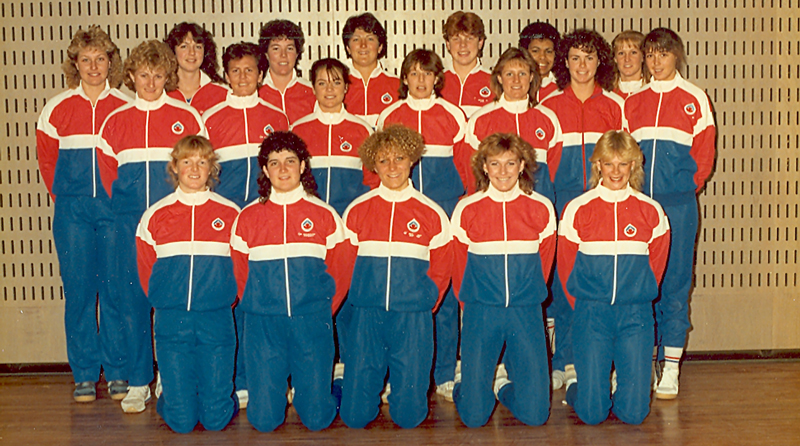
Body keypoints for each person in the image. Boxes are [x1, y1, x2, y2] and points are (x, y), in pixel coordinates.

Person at [97, 39, 206, 413]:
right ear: (130, 76)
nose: (150, 81)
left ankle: (171, 379)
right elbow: (108, 175)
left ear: (168, 76)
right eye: (143, 74)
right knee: (133, 302)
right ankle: (140, 379)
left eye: (158, 74)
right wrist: (130, 212)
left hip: (173, 223)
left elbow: (197, 169)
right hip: (129, 224)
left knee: (172, 302)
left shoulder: (187, 117)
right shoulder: (115, 121)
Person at [36, 25, 131, 403]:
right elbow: (47, 162)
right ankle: (85, 374)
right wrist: (66, 200)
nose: (94, 66)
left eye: (101, 59)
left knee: (115, 291)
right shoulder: (56, 108)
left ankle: (119, 369)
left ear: (111, 63)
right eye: (86, 59)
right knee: (78, 293)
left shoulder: (124, 106)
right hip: (73, 211)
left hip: (113, 211)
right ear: (75, 63)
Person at [230, 131, 348, 432]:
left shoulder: (325, 215)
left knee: (317, 420)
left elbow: (340, 272)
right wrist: (257, 305)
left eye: (290, 161)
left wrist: (320, 309)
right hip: (263, 325)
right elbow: (240, 272)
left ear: (303, 166)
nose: (283, 169)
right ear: (265, 170)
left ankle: (333, 384)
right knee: (264, 422)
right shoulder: (247, 217)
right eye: (274, 162)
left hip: (311, 322)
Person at [623, 27, 716, 400]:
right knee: (640, 283)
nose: (655, 61)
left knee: (675, 283)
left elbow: (704, 158)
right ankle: (640, 361)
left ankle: (671, 365)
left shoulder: (694, 98)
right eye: (650, 54)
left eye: (663, 53)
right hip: (639, 206)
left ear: (676, 56)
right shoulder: (634, 101)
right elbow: (626, 155)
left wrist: (678, 190)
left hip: (677, 204)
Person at [339, 125, 452, 429]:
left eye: (399, 158)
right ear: (373, 164)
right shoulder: (357, 210)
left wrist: (426, 300)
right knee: (354, 417)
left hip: (412, 315)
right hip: (368, 315)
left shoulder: (431, 212)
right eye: (384, 160)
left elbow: (442, 268)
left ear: (412, 160)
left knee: (410, 418)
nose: (392, 167)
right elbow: (343, 266)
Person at [559, 130, 670, 424]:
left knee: (635, 414)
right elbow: (566, 265)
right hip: (591, 314)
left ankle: (618, 389)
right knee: (592, 414)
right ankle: (577, 387)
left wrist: (636, 292)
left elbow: (655, 267)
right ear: (597, 166)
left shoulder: (651, 211)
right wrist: (583, 304)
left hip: (635, 315)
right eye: (609, 164)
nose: (616, 171)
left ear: (634, 166)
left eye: (623, 164)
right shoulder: (577, 209)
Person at [376, 48, 468, 401]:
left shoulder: (452, 114)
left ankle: (444, 372)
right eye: (413, 73)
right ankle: (394, 375)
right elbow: (379, 169)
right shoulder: (390, 115)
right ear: (404, 78)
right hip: (401, 217)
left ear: (436, 79)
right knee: (398, 297)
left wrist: (458, 209)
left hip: (441, 213)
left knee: (441, 295)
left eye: (427, 74)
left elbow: (465, 169)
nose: (420, 80)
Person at [203, 41, 290, 409]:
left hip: (264, 220)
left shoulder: (276, 116)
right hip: (225, 222)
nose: (242, 77)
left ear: (260, 73)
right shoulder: (209, 117)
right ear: (226, 74)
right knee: (232, 297)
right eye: (235, 70)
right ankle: (238, 379)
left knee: (267, 298)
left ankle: (274, 378)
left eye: (250, 70)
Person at [135, 135, 239, 433]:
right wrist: (164, 299)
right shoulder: (155, 215)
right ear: (174, 167)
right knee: (181, 423)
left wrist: (224, 298)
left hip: (216, 318)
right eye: (186, 162)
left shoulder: (230, 213)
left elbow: (240, 267)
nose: (194, 169)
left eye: (202, 162)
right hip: (172, 319)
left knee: (216, 421)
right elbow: (146, 269)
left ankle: (213, 397)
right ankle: (174, 395)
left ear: (212, 169)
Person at [451, 133, 556, 428]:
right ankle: (466, 385)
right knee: (473, 417)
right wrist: (470, 302)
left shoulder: (541, 208)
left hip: (525, 311)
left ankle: (502, 387)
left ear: (522, 165)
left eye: (510, 163)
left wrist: (527, 292)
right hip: (481, 311)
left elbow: (544, 264)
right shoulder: (466, 209)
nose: (503, 172)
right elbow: (458, 266)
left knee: (536, 416)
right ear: (484, 167)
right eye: (495, 164)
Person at [540, 28, 623, 390]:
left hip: (603, 203)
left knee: (599, 282)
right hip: (562, 202)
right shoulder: (549, 107)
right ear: (565, 63)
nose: (582, 65)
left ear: (599, 62)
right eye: (575, 57)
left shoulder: (616, 106)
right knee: (562, 282)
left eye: (589, 57)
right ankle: (564, 360)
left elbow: (626, 160)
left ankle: (600, 360)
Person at [464, 47, 559, 203]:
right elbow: (473, 174)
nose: (516, 80)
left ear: (531, 77)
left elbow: (554, 170)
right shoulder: (480, 120)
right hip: (492, 209)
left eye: (522, 74)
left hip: (538, 207)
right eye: (509, 74)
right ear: (500, 78)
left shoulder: (548, 118)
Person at [291, 58, 376, 216]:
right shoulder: (297, 130)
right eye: (322, 83)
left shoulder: (362, 130)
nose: (329, 89)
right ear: (314, 88)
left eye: (336, 83)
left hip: (350, 216)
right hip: (307, 217)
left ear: (345, 87)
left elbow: (373, 180)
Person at [341, 13, 400, 126]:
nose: (363, 45)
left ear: (380, 47)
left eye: (370, 39)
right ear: (348, 48)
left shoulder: (397, 84)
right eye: (356, 39)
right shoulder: (337, 85)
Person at [257, 20, 316, 124]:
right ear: (266, 53)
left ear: (297, 53)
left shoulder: (312, 92)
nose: (283, 55)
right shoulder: (256, 93)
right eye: (276, 49)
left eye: (289, 48)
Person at [165, 22, 228, 115]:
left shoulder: (223, 93)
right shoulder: (161, 92)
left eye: (198, 47)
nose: (192, 52)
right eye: (184, 46)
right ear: (172, 51)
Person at [440, 11, 494, 117]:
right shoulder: (436, 82)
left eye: (469, 38)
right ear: (448, 44)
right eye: (456, 39)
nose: (463, 45)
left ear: (480, 43)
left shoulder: (495, 82)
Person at [519, 21, 561, 102]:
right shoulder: (515, 85)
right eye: (535, 51)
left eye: (548, 51)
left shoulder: (563, 87)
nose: (542, 57)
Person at [611, 30, 649, 99]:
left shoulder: (654, 92)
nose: (627, 59)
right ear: (615, 58)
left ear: (643, 57)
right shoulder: (607, 93)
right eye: (621, 53)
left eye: (633, 52)